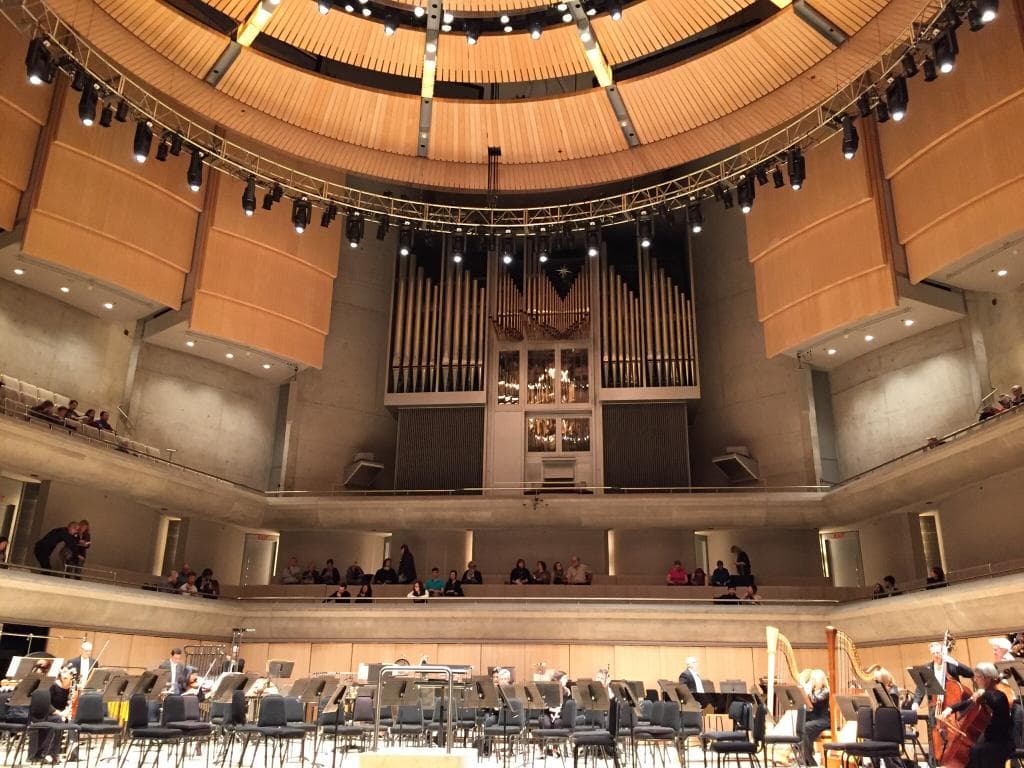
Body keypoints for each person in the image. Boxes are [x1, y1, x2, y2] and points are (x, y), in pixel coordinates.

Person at [939, 663, 1013, 768]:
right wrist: (950, 709)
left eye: (978, 677)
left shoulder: (999, 696)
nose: (975, 680)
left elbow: (994, 700)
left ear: (987, 678)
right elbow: (968, 702)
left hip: (1001, 742)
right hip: (988, 739)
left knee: (975, 751)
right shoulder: (984, 695)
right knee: (974, 750)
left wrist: (983, 693)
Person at [30, 667, 74, 762]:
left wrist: (67, 712)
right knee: (57, 720)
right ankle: (50, 753)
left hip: (62, 714)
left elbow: (71, 702)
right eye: (64, 672)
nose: (66, 675)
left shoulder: (72, 687)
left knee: (72, 720)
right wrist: (59, 713)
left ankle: (70, 753)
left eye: (68, 673)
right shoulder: (52, 685)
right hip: (48, 713)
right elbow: (46, 703)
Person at [801, 669, 831, 766]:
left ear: (821, 680)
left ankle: (809, 759)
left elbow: (815, 700)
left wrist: (808, 691)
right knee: (799, 726)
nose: (813, 681)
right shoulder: (813, 691)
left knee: (805, 727)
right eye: (812, 679)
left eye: (815, 679)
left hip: (823, 720)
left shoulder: (826, 691)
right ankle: (805, 756)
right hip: (814, 720)